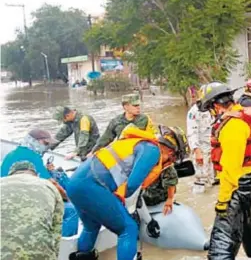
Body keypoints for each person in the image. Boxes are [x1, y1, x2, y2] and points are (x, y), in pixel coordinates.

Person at [66, 124, 186, 260]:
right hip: (93, 186)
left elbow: (135, 193)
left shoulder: (138, 143)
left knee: (91, 226)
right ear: (171, 153)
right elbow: (132, 186)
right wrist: (129, 211)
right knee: (128, 228)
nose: (169, 163)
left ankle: (84, 256)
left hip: (75, 184)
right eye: (173, 160)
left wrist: (148, 220)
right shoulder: (153, 151)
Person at [198, 82, 251, 260]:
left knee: (222, 243)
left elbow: (231, 169)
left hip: (241, 183)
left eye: (210, 109)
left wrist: (222, 201)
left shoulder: (232, 126)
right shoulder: (244, 116)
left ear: (216, 106)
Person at [1, 129, 79, 237]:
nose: (47, 147)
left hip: (7, 199)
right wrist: (70, 199)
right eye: (46, 143)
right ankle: (63, 245)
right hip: (24, 202)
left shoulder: (12, 154)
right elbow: (53, 185)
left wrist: (48, 171)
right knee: (72, 210)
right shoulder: (33, 157)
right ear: (34, 142)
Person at [1, 161, 64, 260]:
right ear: (36, 175)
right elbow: (56, 230)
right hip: (39, 253)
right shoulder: (49, 186)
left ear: (10, 175)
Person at [187, 84, 215, 193]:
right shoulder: (194, 112)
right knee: (200, 179)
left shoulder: (212, 110)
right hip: (201, 150)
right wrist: (197, 151)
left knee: (211, 180)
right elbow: (192, 132)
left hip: (212, 150)